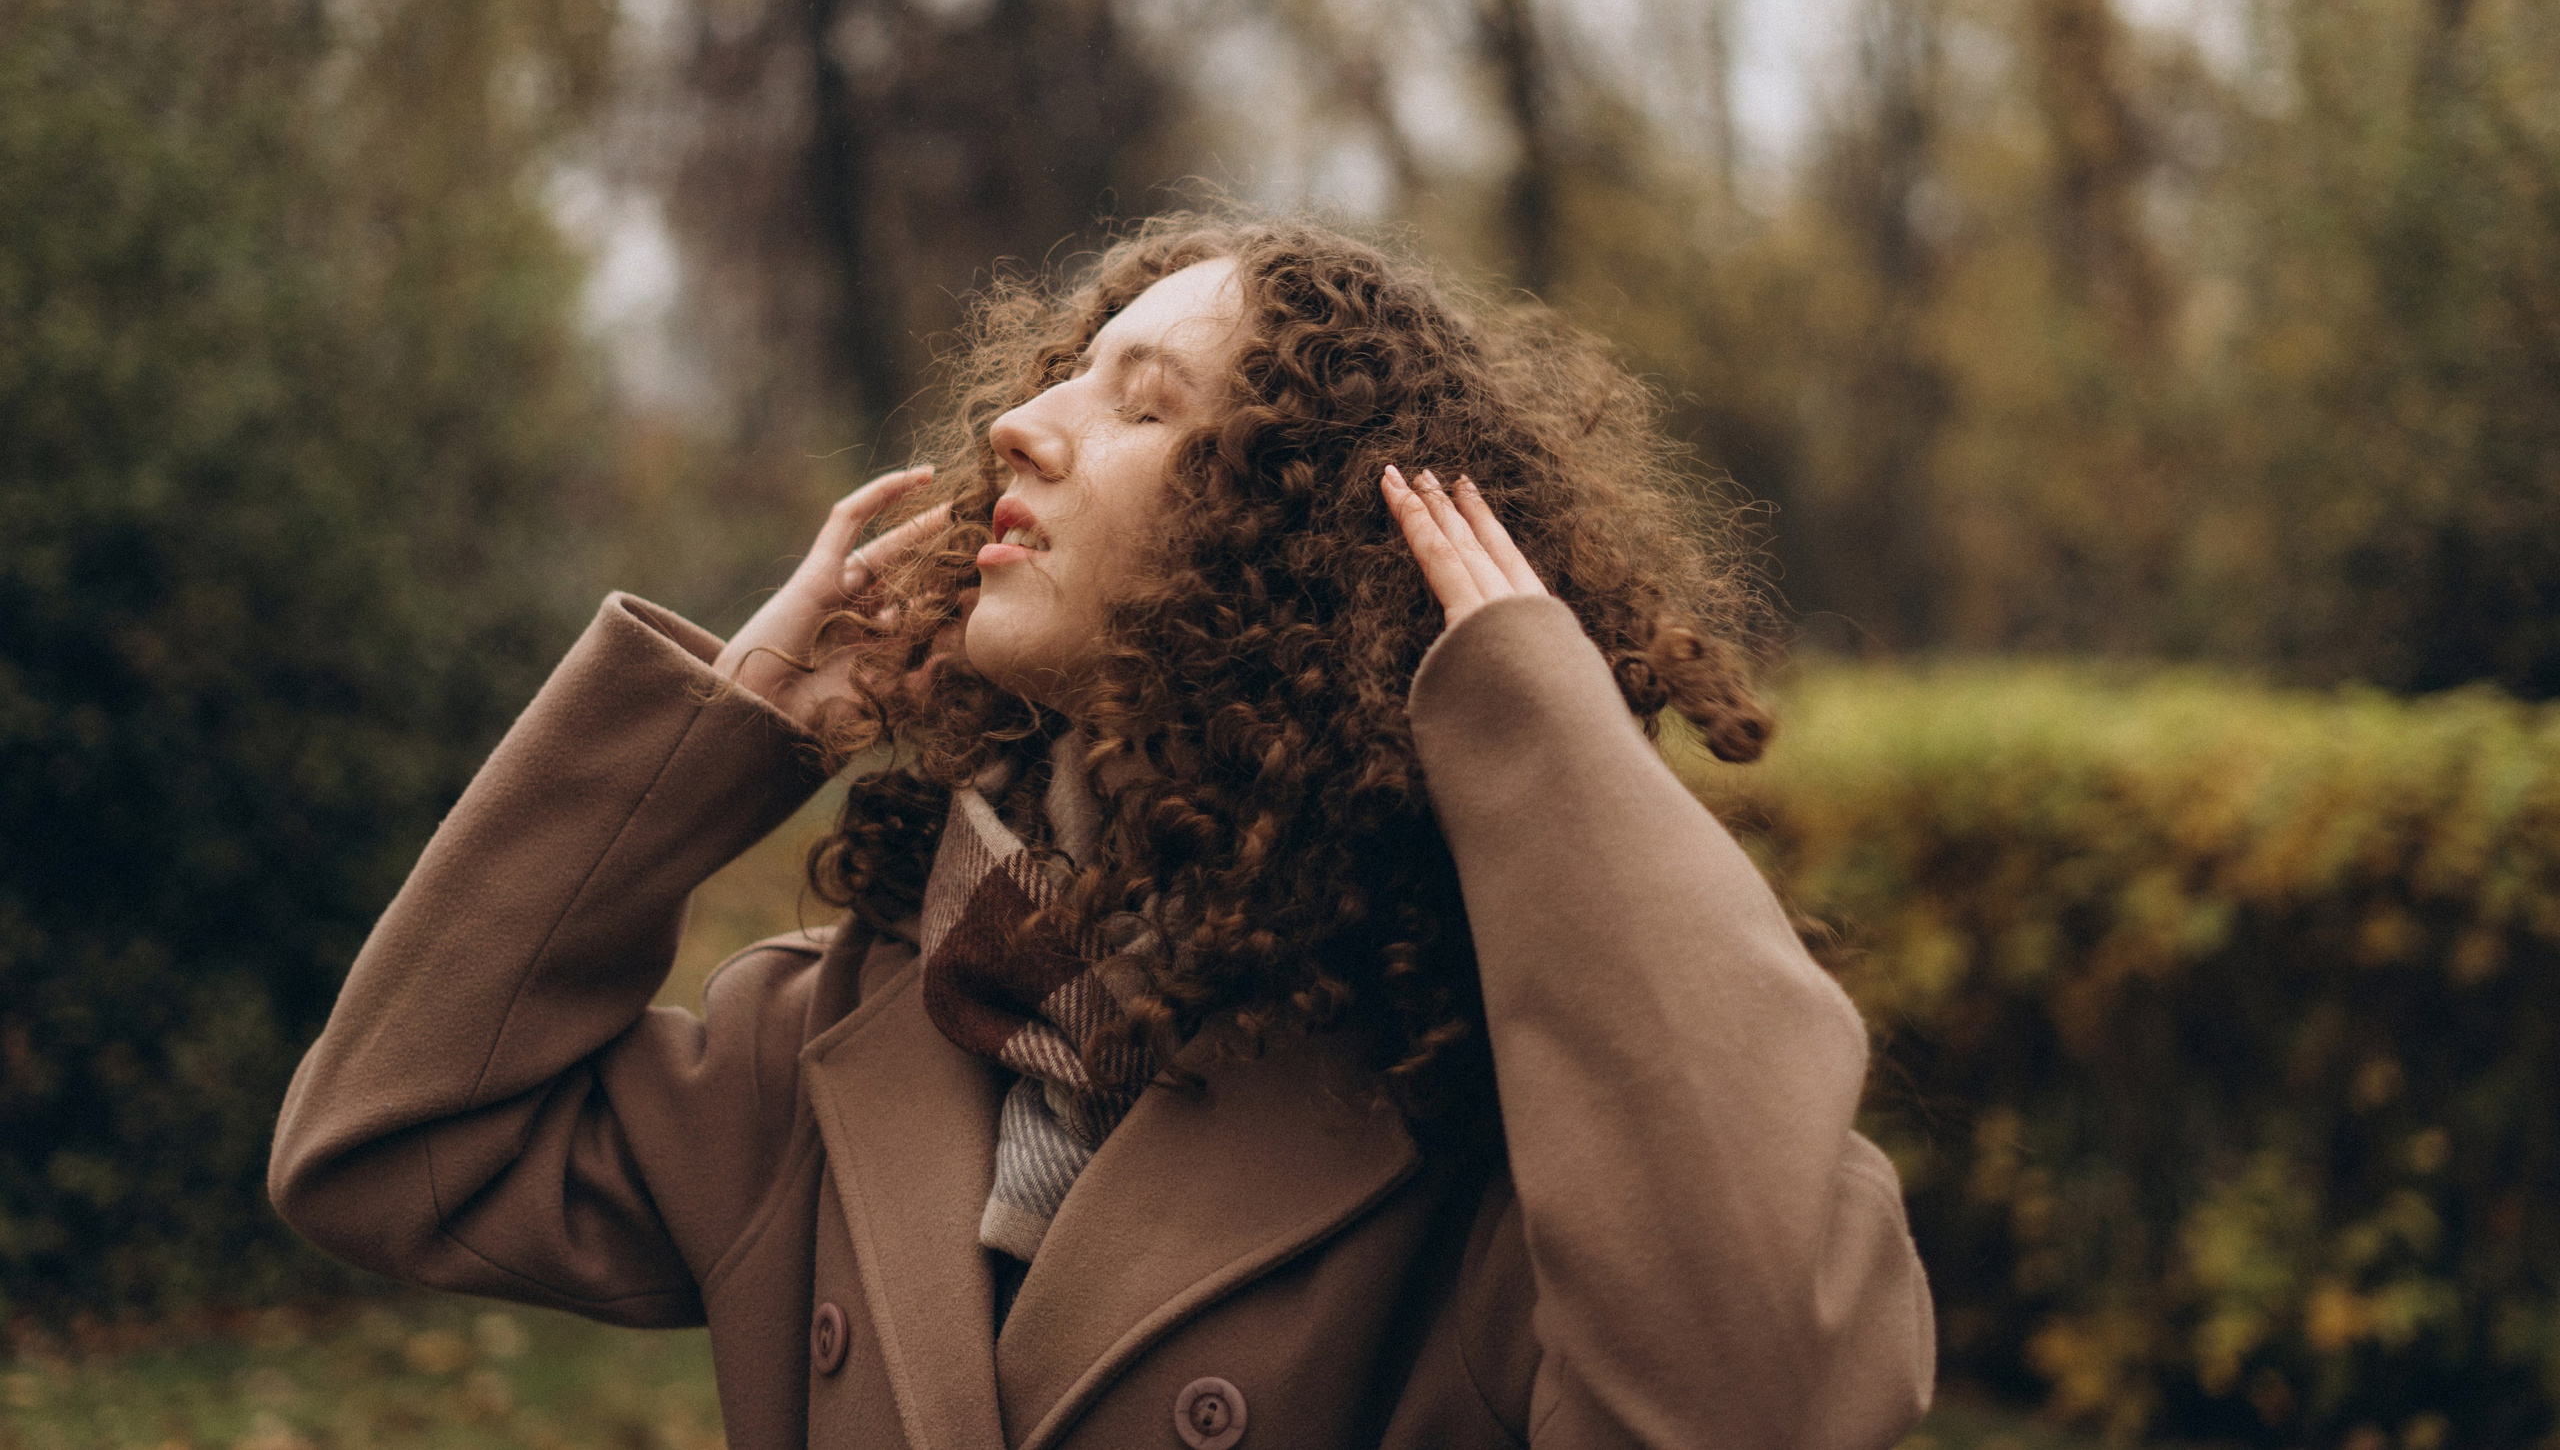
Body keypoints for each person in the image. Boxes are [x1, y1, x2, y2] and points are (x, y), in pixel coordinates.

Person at [269, 218, 1934, 1450]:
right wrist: (718, 735)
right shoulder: (847, 1044)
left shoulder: (1486, 1125)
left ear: (1300, 555)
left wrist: (1538, 744)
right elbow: (389, 1147)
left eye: (1139, 402)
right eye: (1060, 374)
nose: (1023, 425)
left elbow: (1761, 1401)